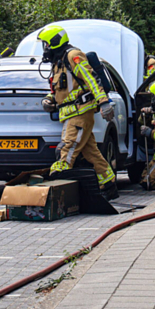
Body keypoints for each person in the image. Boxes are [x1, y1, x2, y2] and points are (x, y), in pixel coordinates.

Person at [37, 24, 118, 198]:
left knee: (67, 149)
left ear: (55, 42)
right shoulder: (59, 63)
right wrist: (49, 99)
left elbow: (91, 79)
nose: (45, 49)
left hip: (80, 113)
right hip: (71, 114)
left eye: (46, 44)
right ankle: (108, 184)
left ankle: (56, 191)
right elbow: (61, 90)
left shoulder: (73, 56)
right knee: (91, 153)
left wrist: (103, 102)